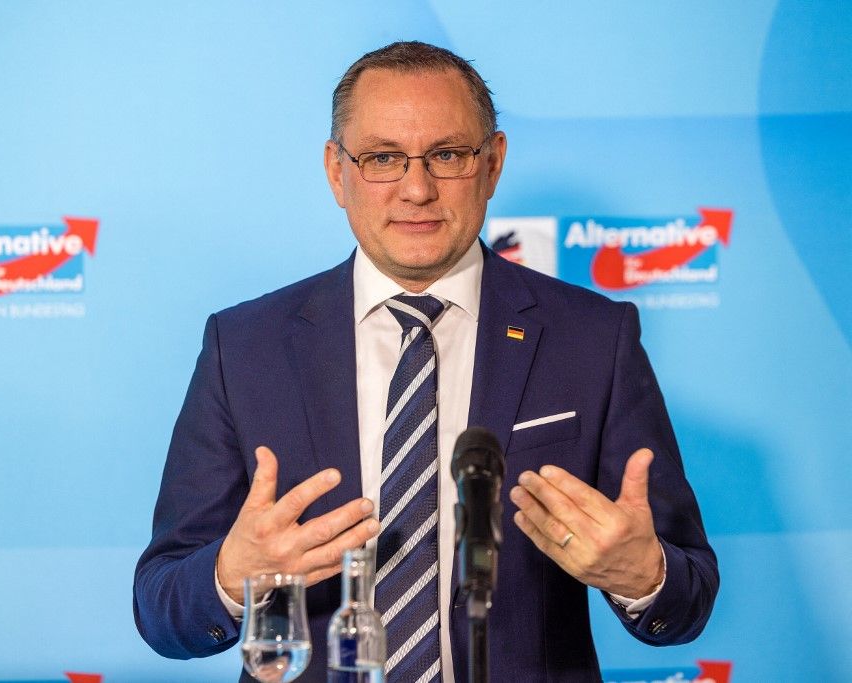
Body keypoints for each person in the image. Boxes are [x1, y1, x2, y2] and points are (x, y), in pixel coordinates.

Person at [134, 41, 718, 682]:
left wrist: (643, 576)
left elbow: (687, 597)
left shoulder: (594, 337)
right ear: (337, 172)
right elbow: (161, 609)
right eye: (383, 158)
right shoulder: (245, 346)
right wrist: (229, 575)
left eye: (448, 155)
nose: (417, 189)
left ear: (492, 164)